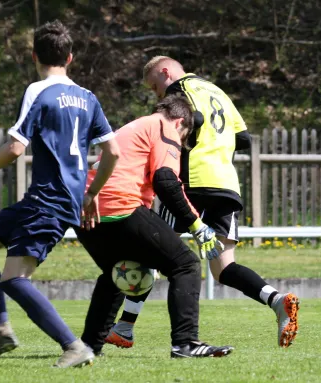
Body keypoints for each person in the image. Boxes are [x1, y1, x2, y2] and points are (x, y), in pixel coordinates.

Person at [106, 56, 299, 349]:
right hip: (226, 183)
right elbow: (243, 137)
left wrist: (189, 143)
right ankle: (277, 301)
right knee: (223, 268)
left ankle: (126, 327)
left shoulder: (179, 92)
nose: (158, 95)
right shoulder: (217, 91)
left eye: (156, 87)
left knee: (153, 250)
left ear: (166, 73)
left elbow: (187, 122)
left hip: (192, 181)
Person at [0, 20, 120, 368]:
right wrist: (91, 192)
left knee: (14, 279)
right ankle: (1, 329)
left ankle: (74, 346)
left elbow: (15, 149)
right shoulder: (88, 98)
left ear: (34, 55)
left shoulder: (39, 91)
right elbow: (113, 152)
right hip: (51, 199)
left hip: (49, 200)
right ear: (70, 57)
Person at [75, 94, 234, 358]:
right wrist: (198, 225)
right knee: (186, 264)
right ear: (181, 121)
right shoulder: (166, 127)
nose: (181, 143)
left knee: (115, 274)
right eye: (184, 136)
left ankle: (89, 346)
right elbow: (166, 181)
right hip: (119, 204)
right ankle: (185, 343)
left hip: (86, 209)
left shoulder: (137, 126)